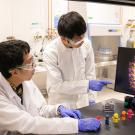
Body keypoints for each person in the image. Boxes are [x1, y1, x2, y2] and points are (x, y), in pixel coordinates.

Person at [0, 40, 101, 134]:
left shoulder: (24, 81)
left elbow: (39, 109)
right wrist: (75, 125)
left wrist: (57, 109)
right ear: (15, 72)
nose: (35, 65)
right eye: (30, 63)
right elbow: (29, 123)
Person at [44, 11, 111, 109]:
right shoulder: (51, 52)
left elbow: (90, 73)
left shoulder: (86, 44)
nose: (81, 41)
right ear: (63, 39)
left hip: (83, 101)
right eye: (77, 40)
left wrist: (91, 98)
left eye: (83, 36)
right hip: (61, 104)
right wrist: (87, 85)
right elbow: (57, 86)